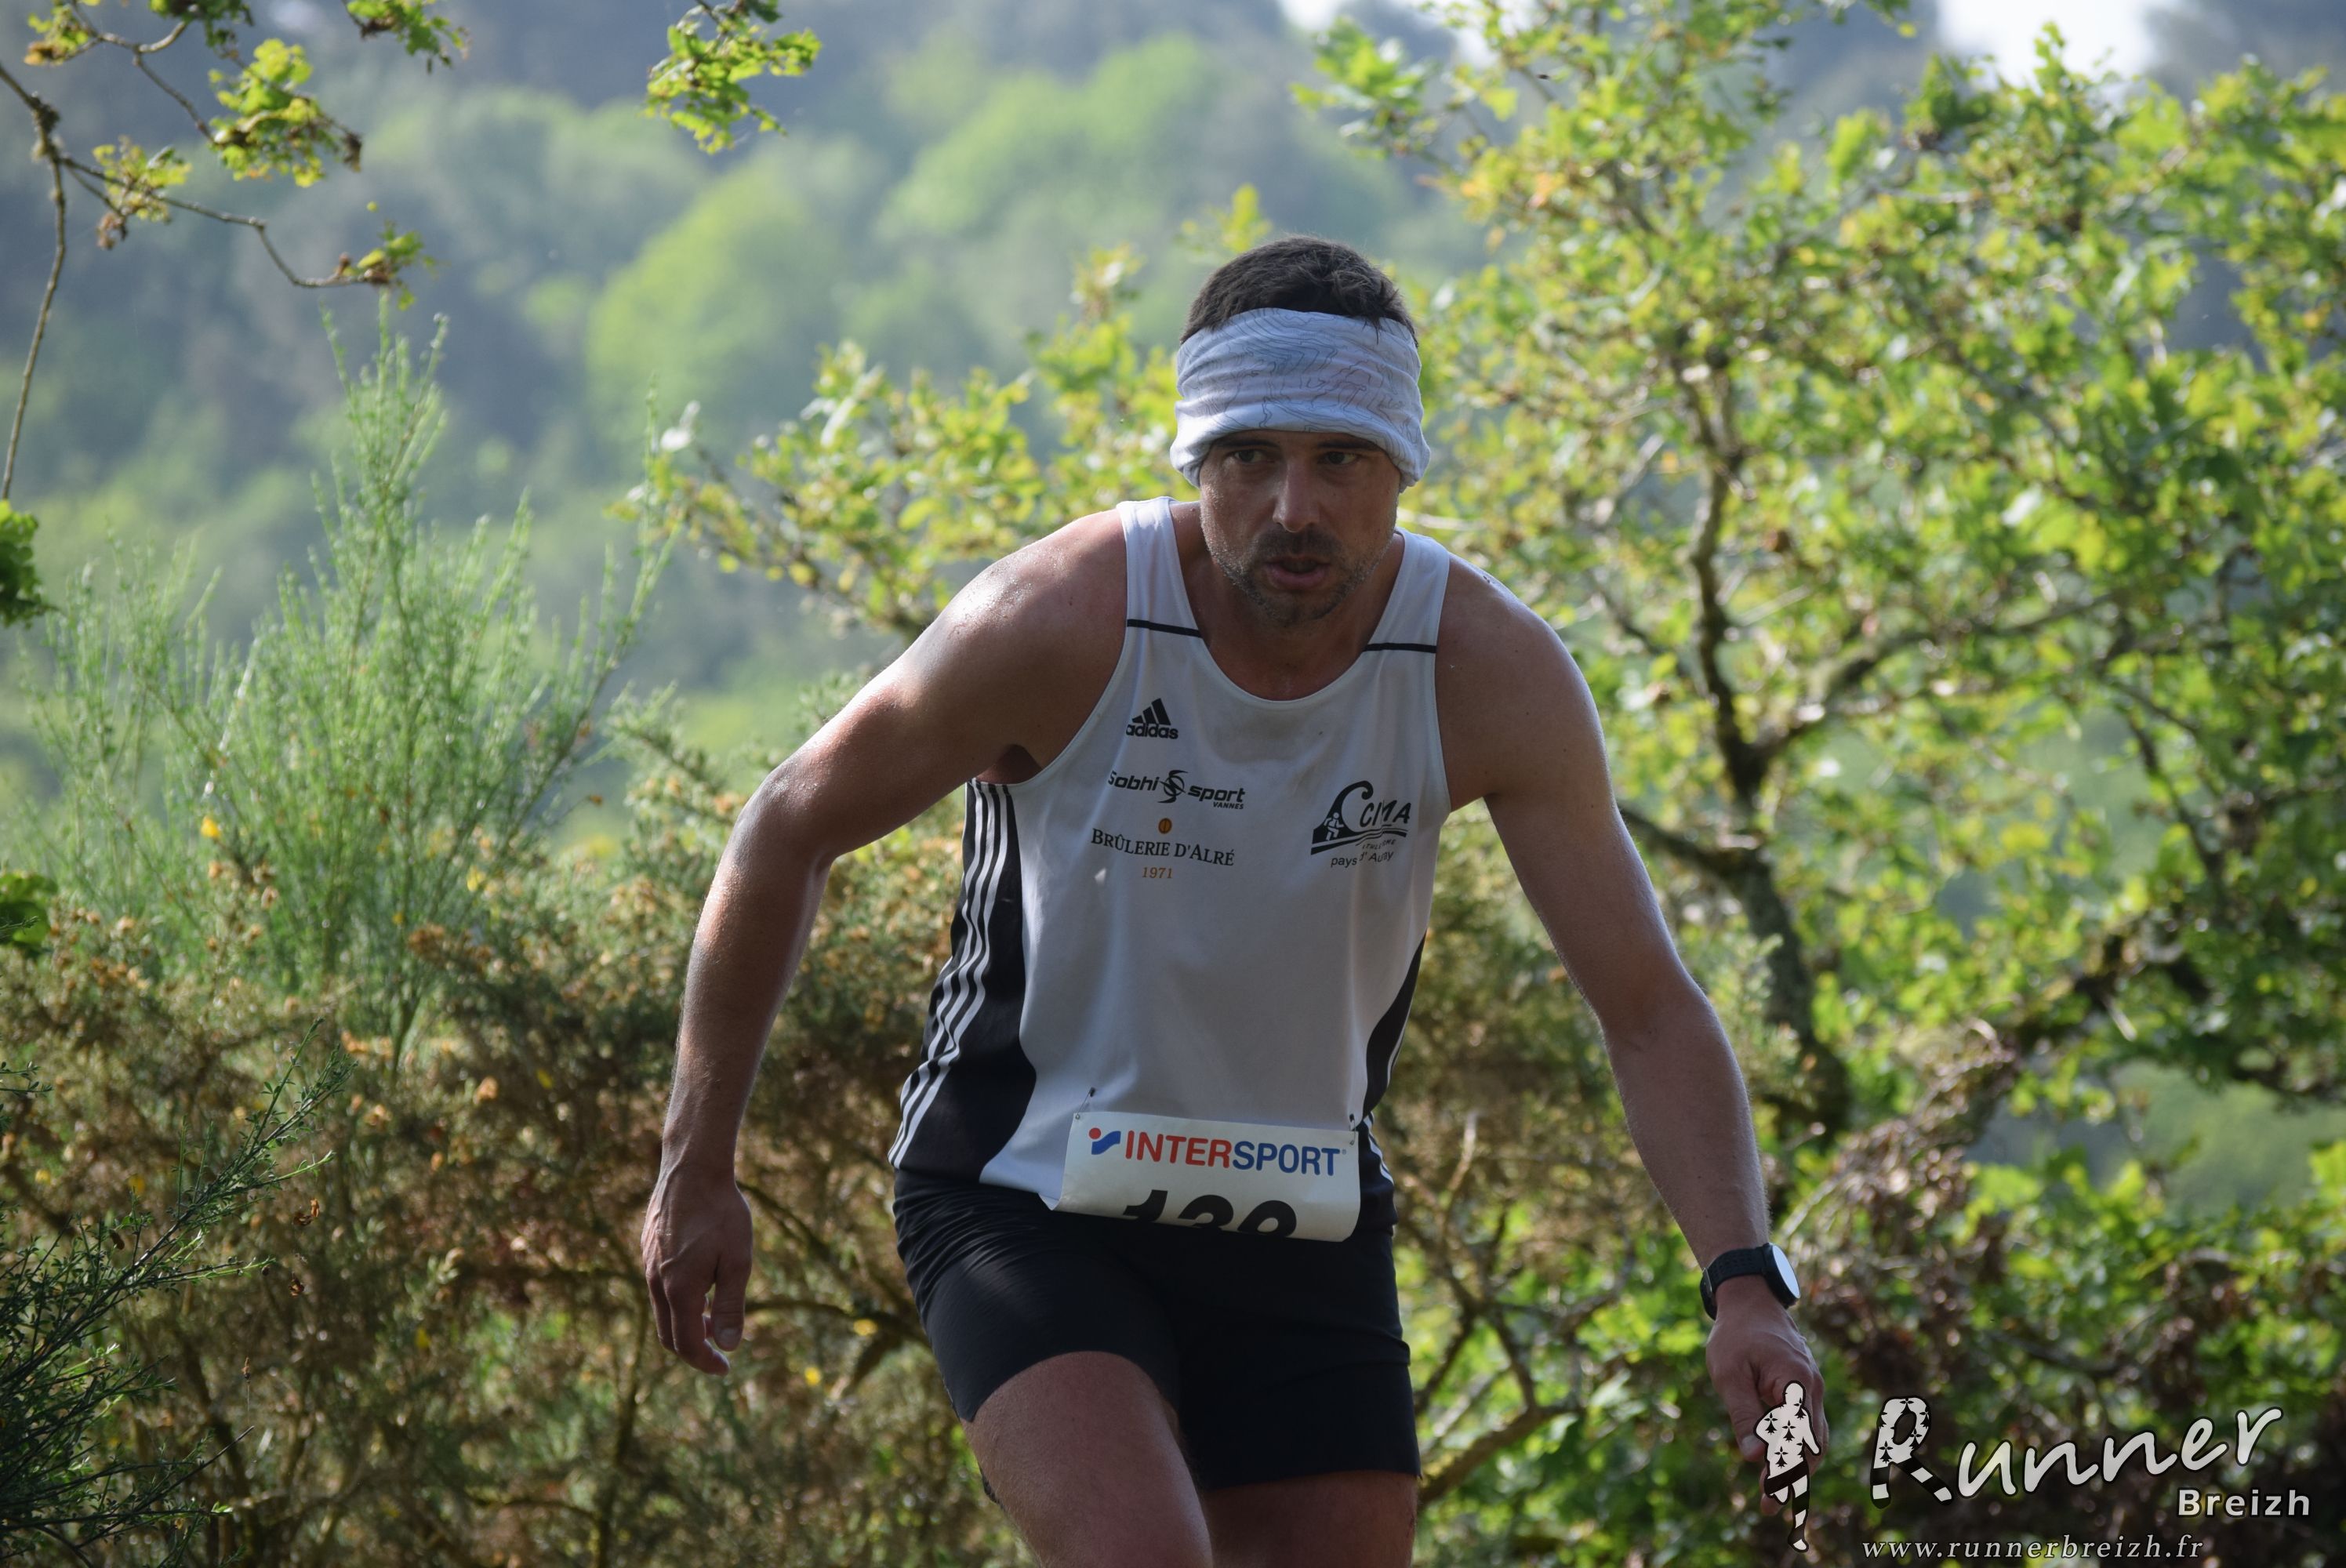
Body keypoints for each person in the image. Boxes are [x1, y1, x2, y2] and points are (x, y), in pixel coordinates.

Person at [640, 234, 1828, 1567]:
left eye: (1342, 460)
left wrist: (1746, 1284)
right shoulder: (1062, 618)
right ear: (1194, 461)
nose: (1293, 508)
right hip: (1027, 1195)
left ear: (1404, 467)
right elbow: (786, 828)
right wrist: (697, 1164)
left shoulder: (1483, 668)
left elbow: (1648, 1007)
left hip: (1301, 1217)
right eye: (1250, 457)